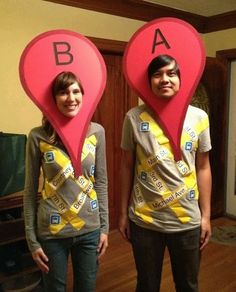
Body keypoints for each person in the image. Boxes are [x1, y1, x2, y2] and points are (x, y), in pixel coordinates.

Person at [119, 55, 212, 292]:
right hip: (145, 221)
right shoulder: (133, 117)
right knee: (147, 285)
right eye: (158, 74)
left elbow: (203, 166)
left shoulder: (199, 117)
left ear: (181, 79)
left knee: (188, 285)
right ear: (149, 81)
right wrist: (122, 214)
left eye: (171, 74)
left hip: (187, 221)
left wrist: (206, 216)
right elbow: (127, 166)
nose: (165, 79)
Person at [24, 71, 109, 292]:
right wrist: (32, 241)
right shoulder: (38, 136)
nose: (70, 98)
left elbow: (101, 182)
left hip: (89, 230)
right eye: (63, 92)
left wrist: (105, 228)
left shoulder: (96, 131)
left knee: (87, 288)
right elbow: (31, 190)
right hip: (52, 233)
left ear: (83, 95)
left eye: (75, 91)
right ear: (54, 99)